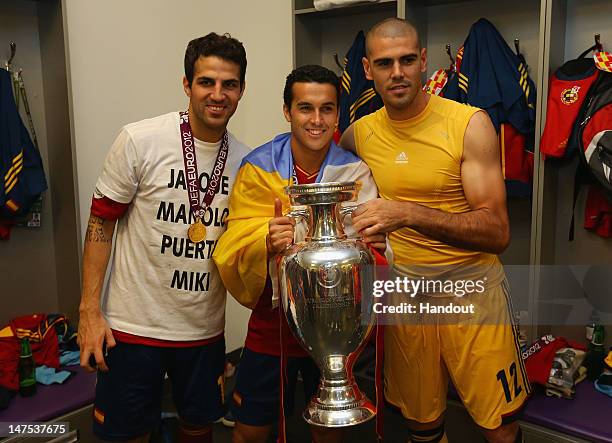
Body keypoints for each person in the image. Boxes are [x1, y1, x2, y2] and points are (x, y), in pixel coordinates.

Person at [340, 18, 530, 443]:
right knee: (422, 425)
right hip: (406, 298)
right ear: (367, 69)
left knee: (499, 427)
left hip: (472, 294)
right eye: (385, 63)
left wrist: (408, 213)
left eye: (408, 60)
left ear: (424, 61)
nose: (398, 72)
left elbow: (497, 231)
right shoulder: (360, 134)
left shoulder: (468, 123)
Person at [77, 33, 250, 443]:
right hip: (132, 329)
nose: (218, 94)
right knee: (127, 435)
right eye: (207, 81)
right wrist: (89, 312)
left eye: (230, 84)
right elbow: (101, 222)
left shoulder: (246, 161)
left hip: (203, 331)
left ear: (242, 89)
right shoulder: (141, 140)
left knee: (197, 428)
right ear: (187, 84)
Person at [213, 64, 384, 443]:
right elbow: (231, 242)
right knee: (250, 430)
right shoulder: (260, 167)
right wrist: (265, 239)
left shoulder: (354, 173)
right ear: (287, 111)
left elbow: (373, 251)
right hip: (273, 323)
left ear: (338, 114)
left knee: (327, 428)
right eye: (306, 108)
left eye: (327, 109)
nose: (317, 120)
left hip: (335, 323)